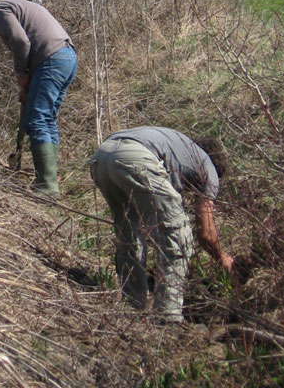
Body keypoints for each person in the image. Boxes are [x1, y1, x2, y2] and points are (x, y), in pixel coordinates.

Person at [88, 126, 235, 323]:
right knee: (178, 233)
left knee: (129, 234)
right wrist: (222, 258)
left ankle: (132, 308)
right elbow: (205, 232)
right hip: (135, 157)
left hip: (102, 156)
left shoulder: (181, 148)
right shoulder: (208, 167)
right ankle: (167, 316)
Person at [0, 0, 77, 195]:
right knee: (46, 120)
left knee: (37, 120)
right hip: (66, 58)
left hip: (51, 59)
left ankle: (46, 187)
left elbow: (21, 41)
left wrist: (21, 74)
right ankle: (47, 183)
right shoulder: (16, 6)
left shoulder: (0, 10)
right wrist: (25, 87)